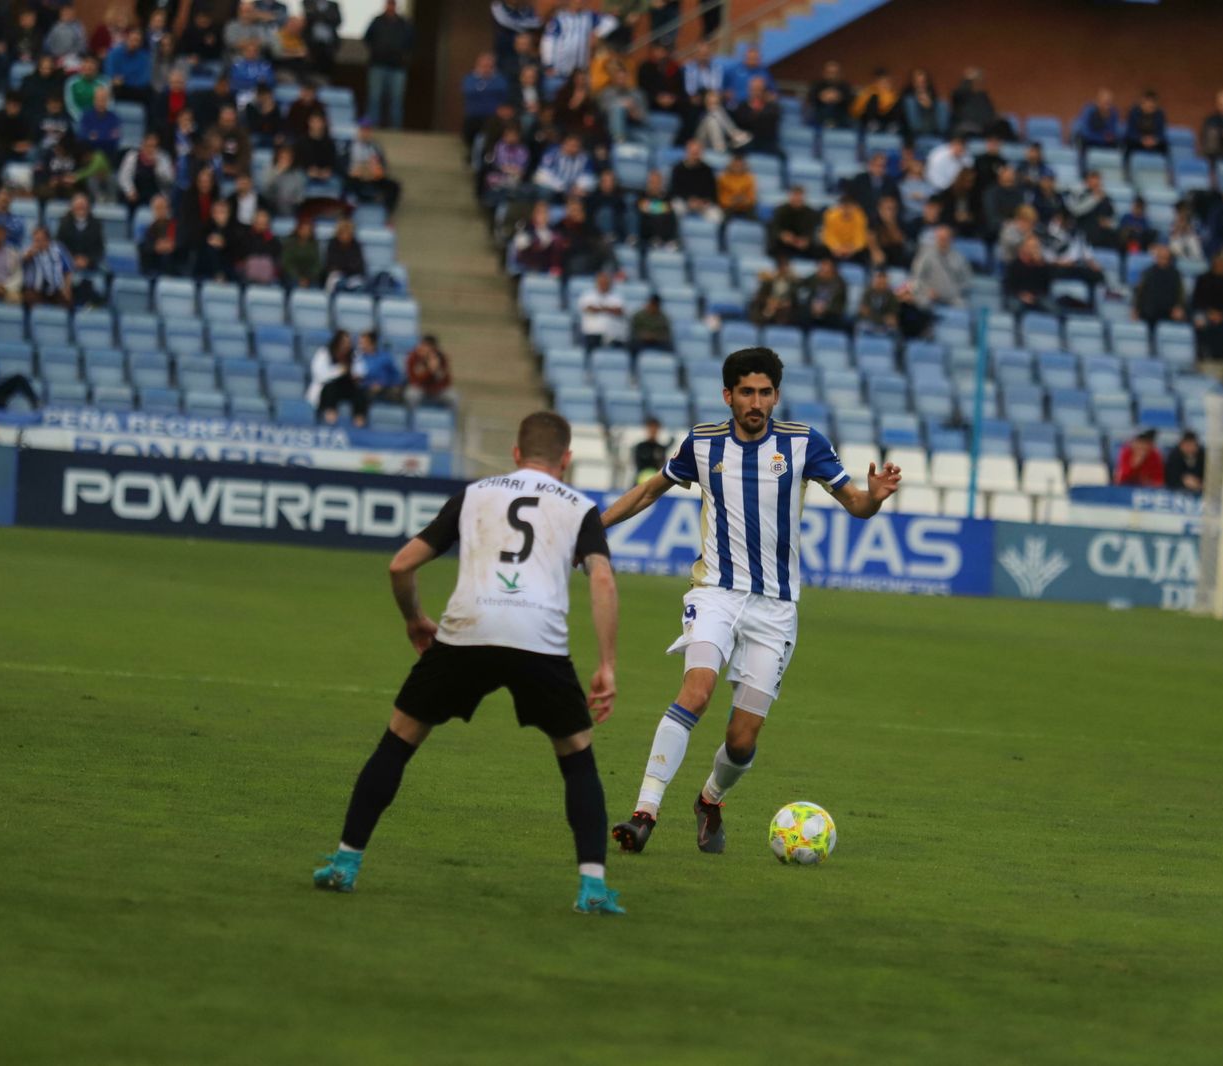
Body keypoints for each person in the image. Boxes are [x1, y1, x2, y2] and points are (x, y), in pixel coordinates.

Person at [311, 411, 625, 915]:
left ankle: (345, 863)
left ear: (516, 454)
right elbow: (602, 580)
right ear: (566, 459)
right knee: (576, 757)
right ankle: (592, 887)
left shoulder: (475, 494)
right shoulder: (581, 507)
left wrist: (414, 618)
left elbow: (400, 564)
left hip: (467, 631)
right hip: (538, 639)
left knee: (398, 741)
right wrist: (606, 664)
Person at [599, 348, 900, 856]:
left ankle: (710, 800)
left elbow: (856, 505)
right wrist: (594, 528)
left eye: (764, 393)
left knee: (741, 741)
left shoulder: (804, 444)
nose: (756, 402)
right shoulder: (702, 443)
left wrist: (873, 497)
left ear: (776, 396)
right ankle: (644, 812)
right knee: (696, 691)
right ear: (728, 396)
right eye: (746, 393)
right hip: (714, 592)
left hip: (776, 608)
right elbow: (650, 491)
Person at [364, 0, 415, 129]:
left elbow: (411, 41)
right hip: (378, 65)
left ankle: (395, 129)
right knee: (374, 98)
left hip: (397, 67)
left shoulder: (403, 23)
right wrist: (377, 50)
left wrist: (402, 55)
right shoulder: (377, 21)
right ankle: (372, 128)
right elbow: (367, 38)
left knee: (396, 100)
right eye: (388, 4)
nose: (390, 7)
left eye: (392, 4)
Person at [541, 0, 615, 78]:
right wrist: (548, 64)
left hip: (581, 72)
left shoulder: (589, 16)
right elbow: (548, 42)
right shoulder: (559, 19)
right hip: (560, 72)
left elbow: (611, 22)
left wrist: (598, 33)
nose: (579, 2)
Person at [309, 329, 367, 424]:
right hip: (329, 386)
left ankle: (359, 423)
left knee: (360, 394)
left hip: (347, 387)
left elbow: (361, 371)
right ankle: (330, 420)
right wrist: (339, 370)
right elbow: (319, 374)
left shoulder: (354, 355)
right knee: (330, 390)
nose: (346, 345)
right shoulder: (325, 353)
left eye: (348, 343)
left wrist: (355, 374)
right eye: (343, 342)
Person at [347, 121, 403, 217]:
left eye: (367, 131)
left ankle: (387, 215)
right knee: (348, 183)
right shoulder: (349, 146)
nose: (365, 133)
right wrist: (352, 171)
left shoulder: (375, 147)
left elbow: (383, 165)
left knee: (394, 186)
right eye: (363, 130)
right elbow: (342, 164)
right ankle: (349, 213)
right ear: (358, 131)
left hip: (373, 178)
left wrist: (376, 172)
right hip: (355, 178)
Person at [909, 224, 972, 308]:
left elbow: (967, 281)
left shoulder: (959, 258)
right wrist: (926, 290)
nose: (942, 241)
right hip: (930, 296)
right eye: (940, 238)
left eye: (945, 238)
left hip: (952, 298)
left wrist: (954, 291)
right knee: (921, 302)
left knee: (963, 306)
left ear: (951, 239)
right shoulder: (925, 255)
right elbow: (916, 277)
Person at [20, 226, 76, 309]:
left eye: (40, 240)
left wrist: (67, 288)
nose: (38, 243)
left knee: (69, 301)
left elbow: (68, 270)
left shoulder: (58, 249)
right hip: (35, 290)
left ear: (47, 240)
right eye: (36, 240)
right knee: (28, 297)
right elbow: (20, 261)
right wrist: (28, 256)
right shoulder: (29, 250)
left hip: (56, 290)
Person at [1132, 244, 1185, 327]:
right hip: (1149, 312)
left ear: (1169, 259)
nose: (1163, 260)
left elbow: (1180, 294)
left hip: (1169, 312)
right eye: (1160, 257)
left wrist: (1179, 307)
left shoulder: (1176, 274)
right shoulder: (1147, 272)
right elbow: (1139, 292)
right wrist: (1136, 309)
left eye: (1165, 258)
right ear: (1156, 257)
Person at [668, 140, 719, 221]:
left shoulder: (707, 170)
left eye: (697, 152)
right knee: (675, 208)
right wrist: (689, 200)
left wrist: (702, 202)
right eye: (693, 152)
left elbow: (712, 191)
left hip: (702, 204)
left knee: (716, 215)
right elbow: (674, 190)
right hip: (684, 202)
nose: (695, 155)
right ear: (687, 152)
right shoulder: (678, 169)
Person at [56, 193, 105, 273]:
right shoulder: (64, 224)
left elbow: (99, 249)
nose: (80, 209)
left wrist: (87, 260)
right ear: (72, 208)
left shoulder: (96, 225)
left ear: (88, 208)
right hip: (67, 266)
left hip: (90, 266)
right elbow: (59, 246)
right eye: (78, 207)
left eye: (83, 207)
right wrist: (72, 259)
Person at [796, 257, 848, 331]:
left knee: (837, 321)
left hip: (831, 313)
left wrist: (825, 309)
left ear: (832, 268)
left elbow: (839, 304)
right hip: (813, 310)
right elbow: (801, 283)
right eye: (821, 265)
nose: (821, 268)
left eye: (825, 266)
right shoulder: (815, 278)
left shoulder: (840, 283)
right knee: (801, 315)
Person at [578, 270, 626, 349]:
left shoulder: (617, 297)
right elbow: (589, 309)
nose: (604, 284)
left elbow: (619, 311)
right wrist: (608, 309)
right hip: (592, 334)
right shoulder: (588, 295)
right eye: (601, 282)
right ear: (597, 283)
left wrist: (600, 308)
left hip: (613, 336)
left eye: (606, 282)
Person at [767, 184, 817, 259]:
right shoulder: (780, 210)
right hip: (785, 245)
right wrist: (782, 235)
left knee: (819, 250)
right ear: (790, 196)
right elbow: (774, 227)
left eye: (799, 196)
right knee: (776, 247)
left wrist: (806, 240)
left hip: (802, 246)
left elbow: (811, 230)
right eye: (795, 195)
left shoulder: (810, 213)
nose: (797, 198)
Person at [820, 192, 869, 265]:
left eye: (850, 207)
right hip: (835, 249)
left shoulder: (860, 216)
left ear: (854, 207)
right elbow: (828, 236)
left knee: (865, 253)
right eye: (844, 207)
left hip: (852, 249)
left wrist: (852, 249)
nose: (847, 210)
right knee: (823, 251)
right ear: (840, 207)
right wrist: (836, 247)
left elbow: (860, 237)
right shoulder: (830, 216)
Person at [356, 330, 404, 404]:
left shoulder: (385, 357)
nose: (360, 345)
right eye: (360, 343)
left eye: (363, 343)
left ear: (372, 343)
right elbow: (358, 378)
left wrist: (382, 383)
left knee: (396, 392)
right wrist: (370, 384)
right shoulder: (358, 358)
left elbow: (396, 376)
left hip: (386, 388)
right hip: (366, 389)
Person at [405, 335, 453, 405]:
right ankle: (411, 415)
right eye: (423, 346)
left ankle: (452, 416)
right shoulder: (413, 357)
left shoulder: (440, 357)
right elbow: (415, 380)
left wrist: (436, 370)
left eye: (430, 348)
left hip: (436, 390)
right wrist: (430, 370)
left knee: (452, 396)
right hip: (419, 388)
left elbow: (446, 381)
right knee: (411, 395)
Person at [808, 60, 854, 129]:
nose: (832, 75)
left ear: (839, 74)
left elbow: (850, 101)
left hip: (840, 116)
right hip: (820, 115)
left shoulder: (845, 86)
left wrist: (839, 98)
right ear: (824, 73)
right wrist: (821, 97)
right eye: (830, 73)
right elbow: (811, 99)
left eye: (835, 73)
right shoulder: (818, 84)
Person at [1124, 89, 1168, 160]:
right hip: (1138, 141)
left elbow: (1161, 134)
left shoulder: (1160, 114)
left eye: (1152, 105)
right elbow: (1130, 132)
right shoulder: (1134, 112)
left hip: (1153, 142)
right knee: (1128, 144)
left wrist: (1154, 140)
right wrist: (1141, 139)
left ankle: (1167, 168)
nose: (1150, 106)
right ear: (1143, 102)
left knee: (1164, 146)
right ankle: (1126, 168)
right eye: (1148, 103)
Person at [282, 216, 323, 288]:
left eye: (308, 230)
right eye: (303, 229)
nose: (305, 232)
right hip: (292, 276)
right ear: (298, 230)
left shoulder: (314, 244)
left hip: (310, 278)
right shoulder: (290, 243)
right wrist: (298, 278)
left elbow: (317, 264)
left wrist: (308, 278)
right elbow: (286, 262)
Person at [716, 154, 757, 219]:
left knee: (756, 220)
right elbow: (720, 198)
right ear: (730, 165)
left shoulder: (749, 178)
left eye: (740, 165)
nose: (737, 167)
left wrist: (743, 201)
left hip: (745, 209)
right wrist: (732, 202)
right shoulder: (723, 178)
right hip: (728, 208)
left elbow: (752, 199)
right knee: (721, 218)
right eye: (735, 165)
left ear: (744, 166)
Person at [631, 416, 667, 482]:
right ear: (647, 429)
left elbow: (662, 468)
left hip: (656, 482)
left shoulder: (661, 448)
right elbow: (638, 465)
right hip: (640, 482)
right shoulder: (640, 447)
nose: (653, 430)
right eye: (651, 428)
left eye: (655, 428)